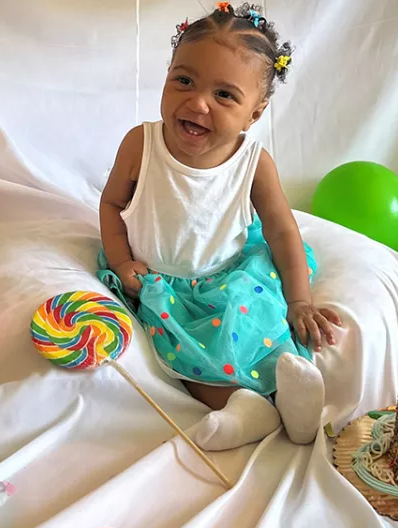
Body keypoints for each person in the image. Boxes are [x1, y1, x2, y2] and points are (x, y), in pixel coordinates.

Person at [98, 3, 341, 451]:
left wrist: (300, 300)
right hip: (162, 282)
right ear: (167, 75)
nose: (197, 102)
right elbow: (112, 204)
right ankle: (248, 412)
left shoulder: (253, 164)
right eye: (184, 81)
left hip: (231, 276)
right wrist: (121, 260)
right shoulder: (141, 144)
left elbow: (283, 232)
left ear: (254, 113)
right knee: (188, 351)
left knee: (262, 330)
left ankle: (295, 397)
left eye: (225, 95)